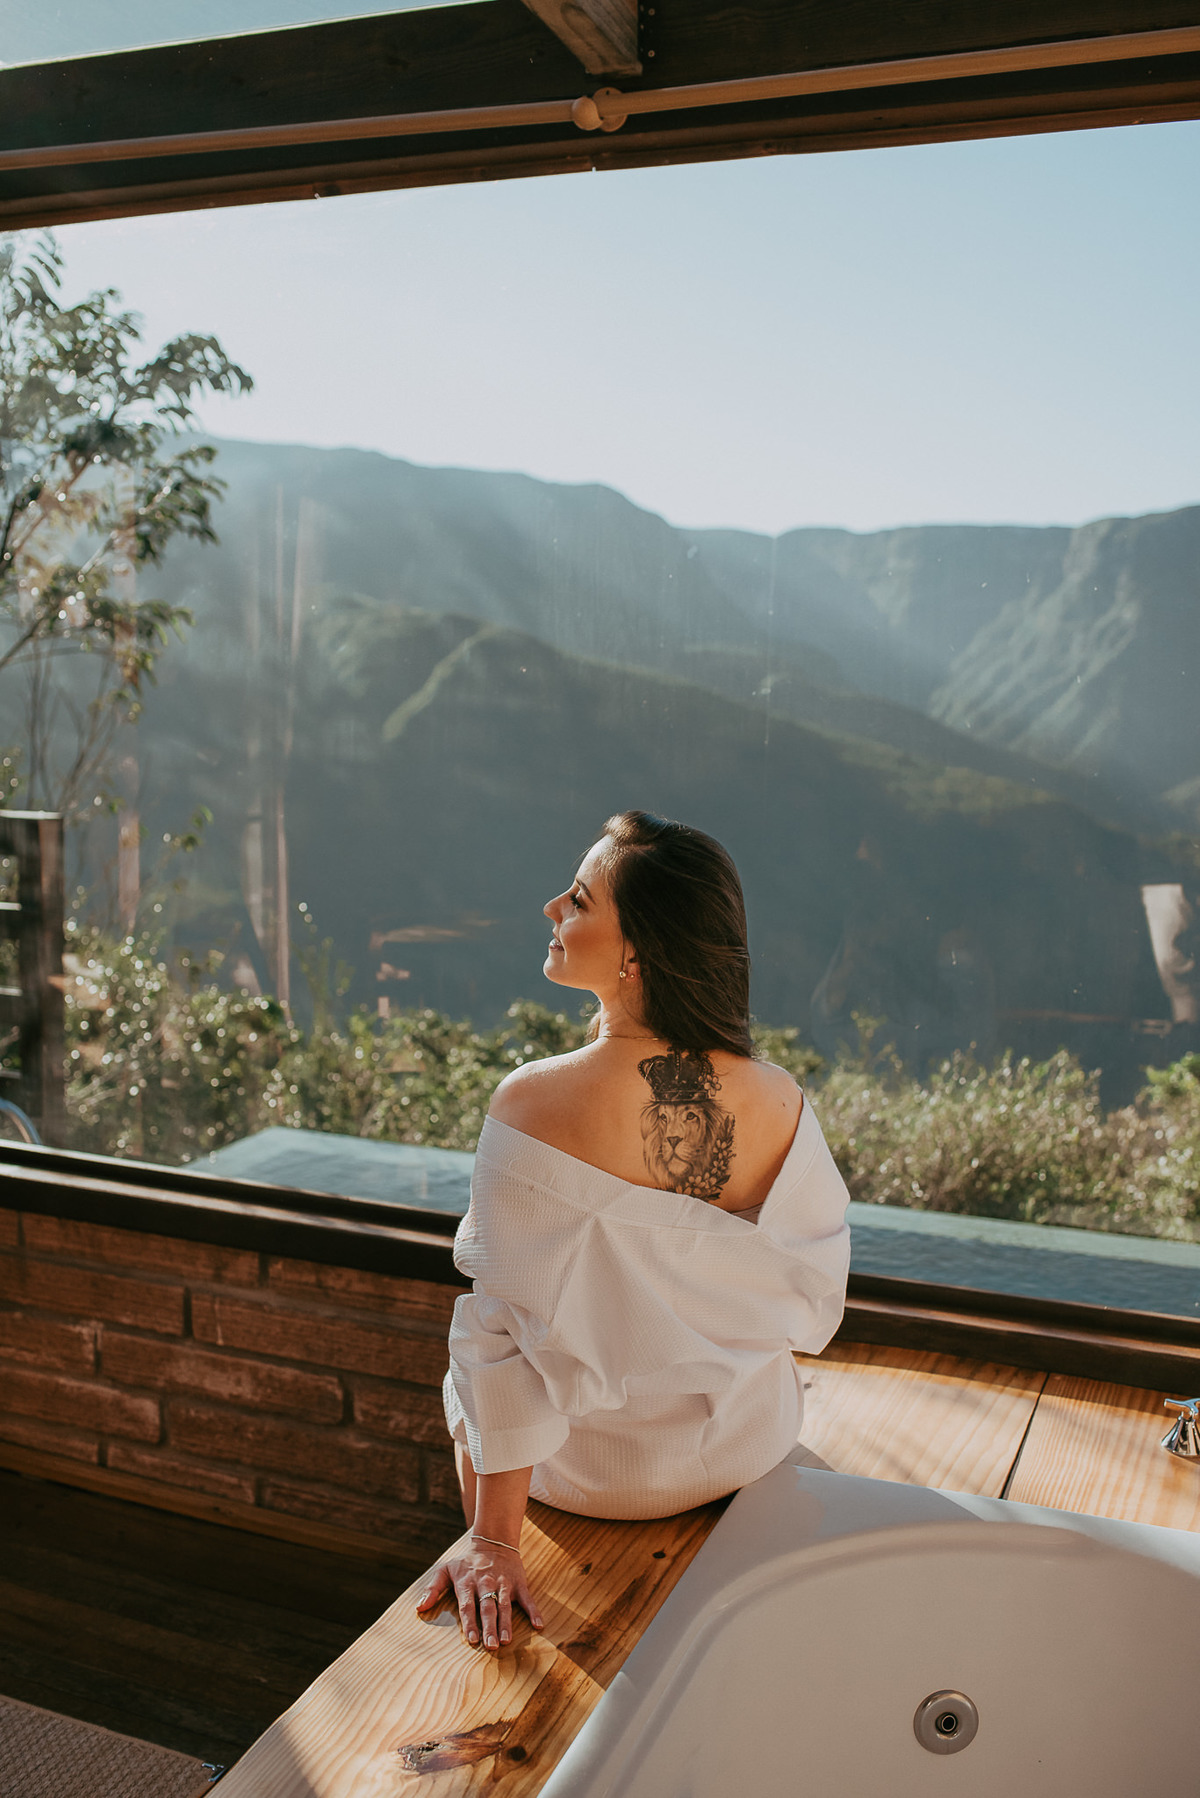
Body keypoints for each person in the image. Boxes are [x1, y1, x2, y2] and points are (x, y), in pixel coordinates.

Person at [416, 811, 851, 1651]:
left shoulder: (533, 1104)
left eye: (578, 900)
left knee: (476, 1329)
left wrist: (492, 1542)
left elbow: (500, 1336)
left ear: (636, 954)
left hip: (584, 1478)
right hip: (741, 1449)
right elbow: (809, 1299)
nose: (552, 908)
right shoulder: (780, 1101)